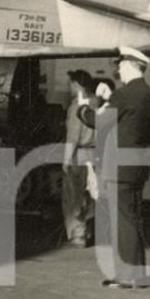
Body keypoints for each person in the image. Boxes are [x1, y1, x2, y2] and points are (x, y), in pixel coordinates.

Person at [88, 47, 150, 287]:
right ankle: (135, 274)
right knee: (133, 218)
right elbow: (128, 116)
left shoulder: (126, 93)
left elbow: (97, 121)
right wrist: (111, 97)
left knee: (122, 221)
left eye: (120, 66)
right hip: (137, 163)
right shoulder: (147, 93)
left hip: (119, 166)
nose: (118, 70)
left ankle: (127, 277)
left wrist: (82, 106)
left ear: (129, 65)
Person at [61, 69, 96, 248]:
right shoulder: (98, 103)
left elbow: (73, 137)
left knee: (73, 195)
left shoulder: (76, 106)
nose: (69, 88)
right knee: (90, 195)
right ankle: (87, 233)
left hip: (79, 154)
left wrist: (66, 160)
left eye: (71, 84)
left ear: (77, 85)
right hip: (95, 154)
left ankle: (78, 236)